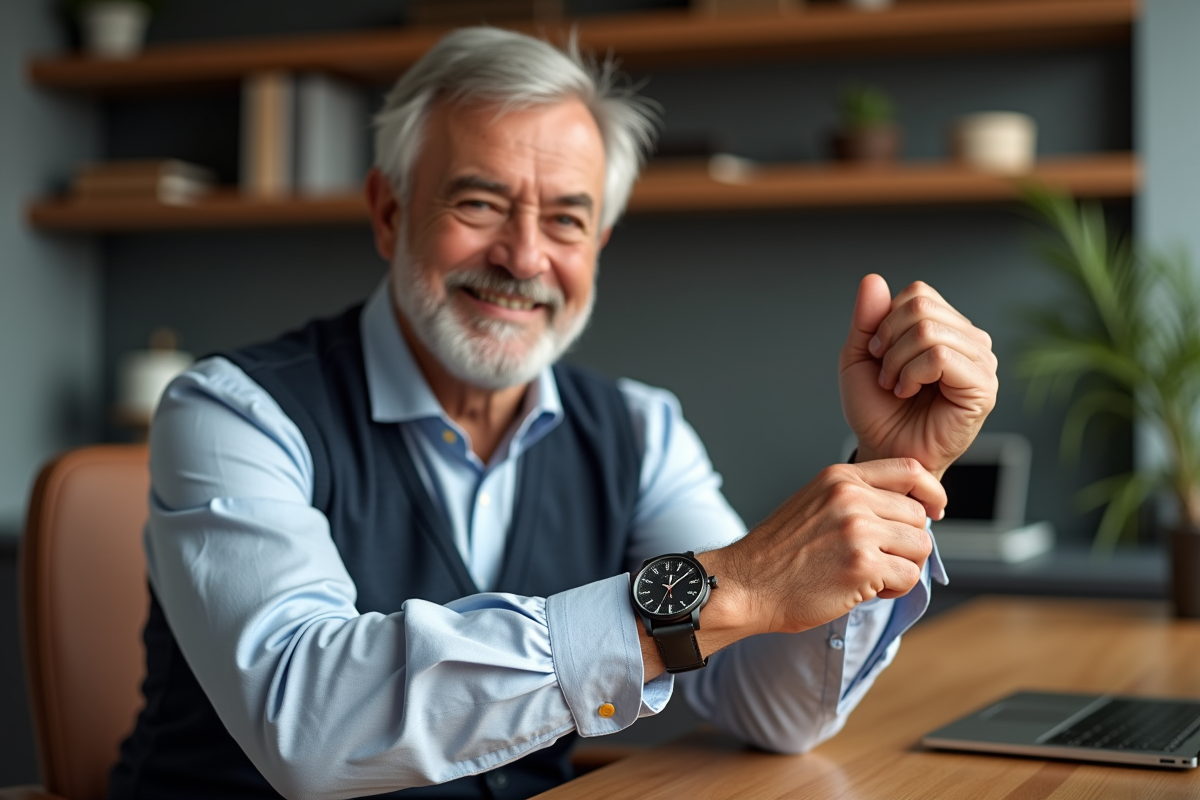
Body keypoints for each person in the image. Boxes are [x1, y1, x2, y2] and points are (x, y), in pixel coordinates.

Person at [109, 27, 998, 800]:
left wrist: (890, 469)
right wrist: (723, 589)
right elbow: (305, 723)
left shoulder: (638, 430)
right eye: (480, 202)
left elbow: (769, 708)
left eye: (567, 220)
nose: (525, 256)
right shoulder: (232, 413)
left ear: (598, 244)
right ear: (387, 212)